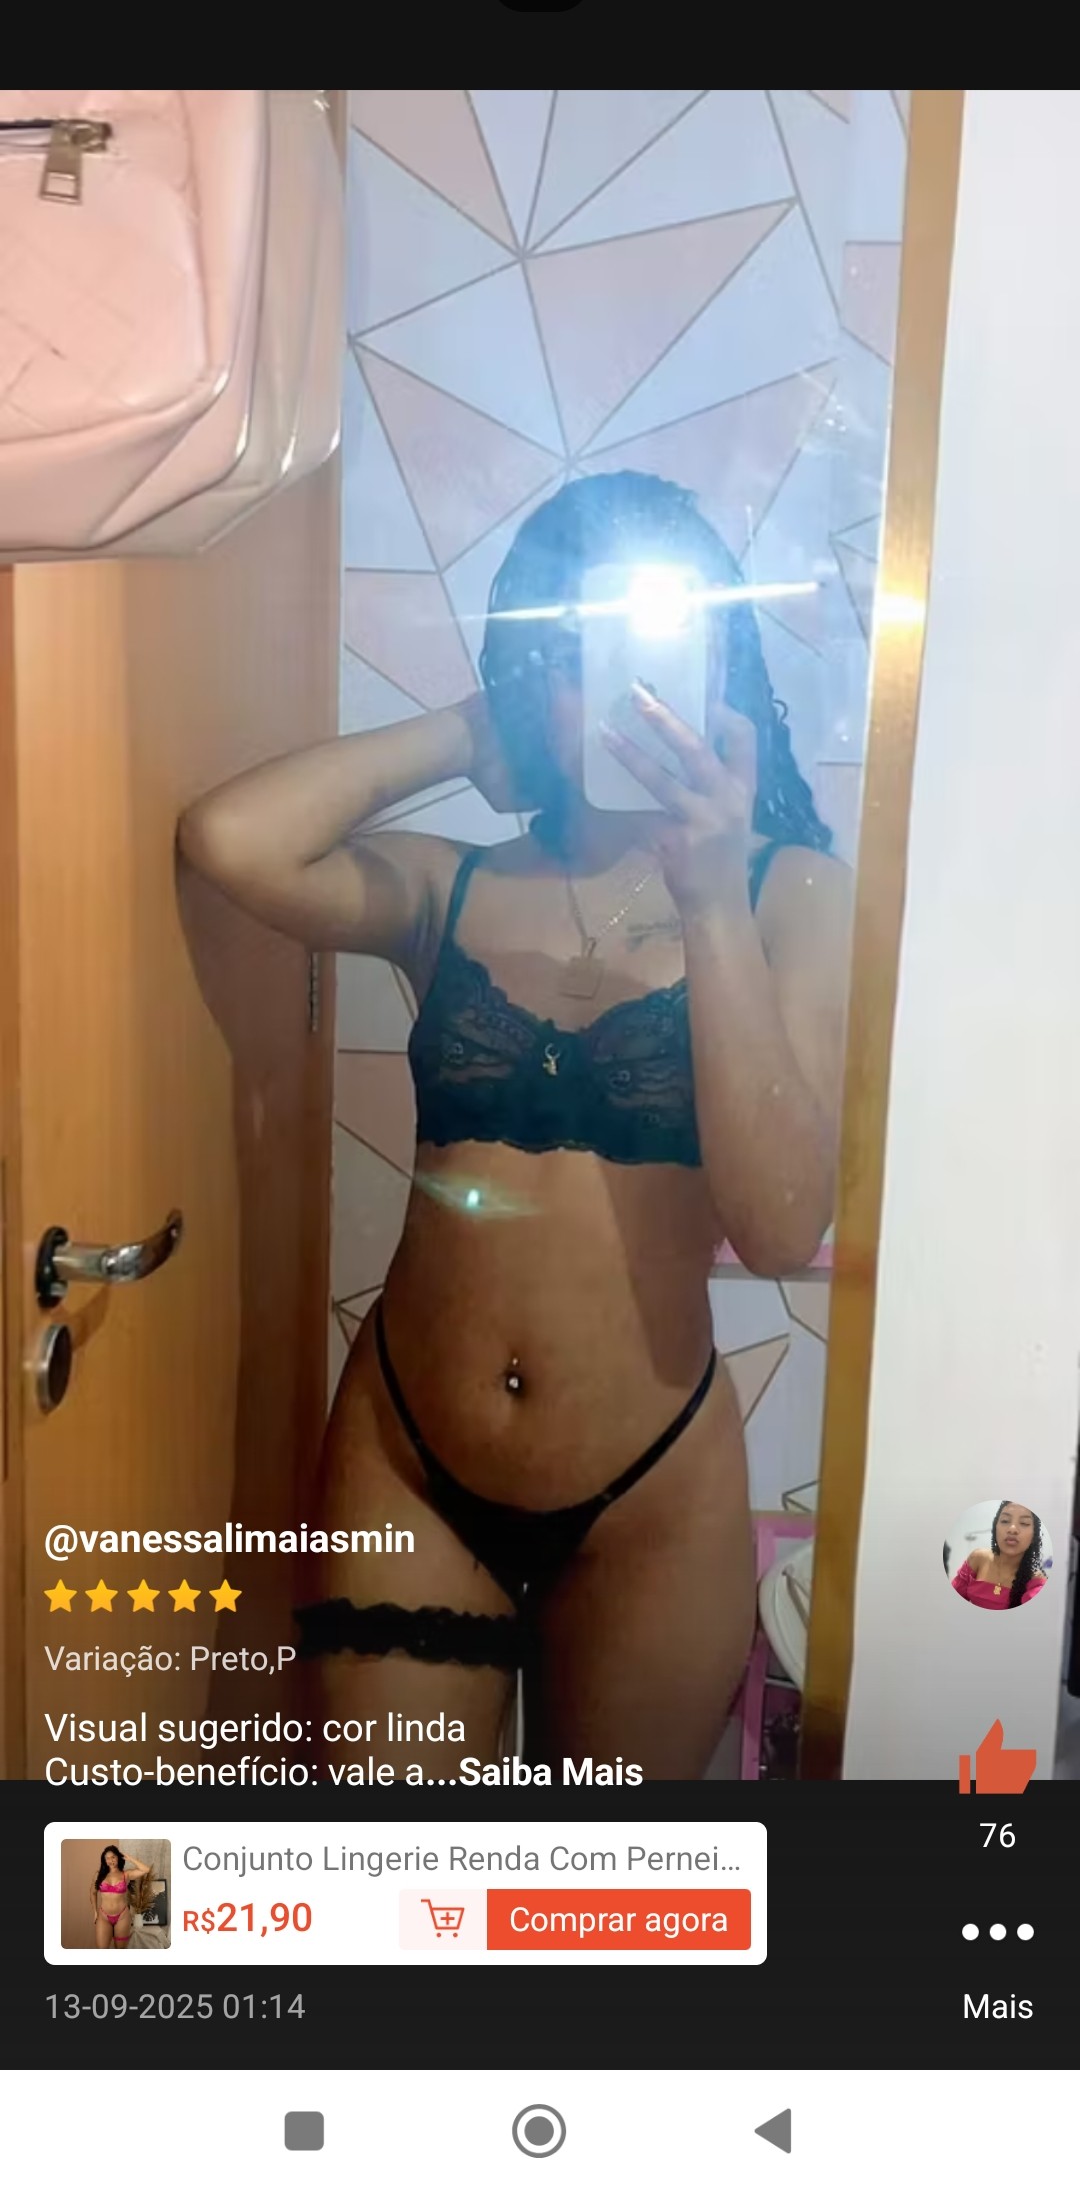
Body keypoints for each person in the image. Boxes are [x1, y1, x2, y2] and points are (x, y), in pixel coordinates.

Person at [179, 471, 853, 1779]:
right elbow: (230, 840)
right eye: (581, 652)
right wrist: (467, 732)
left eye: (658, 649)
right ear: (539, 670)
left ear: (719, 662)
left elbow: (781, 1225)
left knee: (590, 1886)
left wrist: (710, 898)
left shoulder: (793, 896)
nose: (625, 691)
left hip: (653, 1496)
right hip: (408, 1464)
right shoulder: (452, 883)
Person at [951, 1502, 1047, 1610]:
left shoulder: (1036, 1584)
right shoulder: (978, 1558)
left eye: (1024, 1523)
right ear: (995, 1527)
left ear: (1034, 1535)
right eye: (1005, 1521)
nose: (1012, 1529)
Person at [91, 1845, 152, 1950]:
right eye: (107, 1858)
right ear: (104, 1860)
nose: (111, 1860)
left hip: (122, 1916)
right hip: (103, 1916)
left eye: (113, 1857)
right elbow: (93, 1893)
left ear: (118, 1857)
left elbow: (146, 1869)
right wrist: (95, 1912)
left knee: (121, 1950)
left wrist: (130, 1858)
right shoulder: (99, 1875)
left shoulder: (126, 1874)